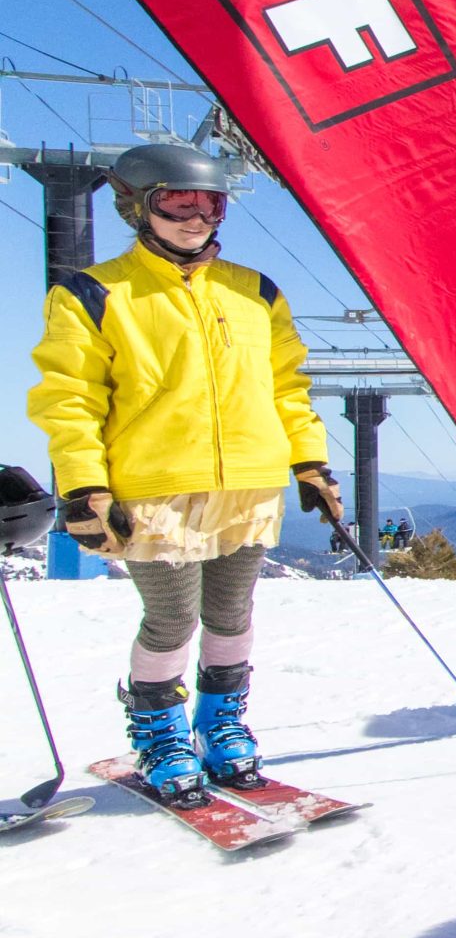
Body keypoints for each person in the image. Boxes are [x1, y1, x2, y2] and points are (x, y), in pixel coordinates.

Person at [26, 143, 340, 807]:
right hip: (156, 490)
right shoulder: (93, 292)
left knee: (231, 614)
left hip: (248, 485)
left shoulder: (254, 291)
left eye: (210, 202)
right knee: (172, 620)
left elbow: (287, 388)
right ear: (138, 206)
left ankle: (219, 725)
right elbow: (71, 399)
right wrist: (84, 485)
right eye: (177, 200)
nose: (196, 214)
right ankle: (160, 730)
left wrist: (308, 460)